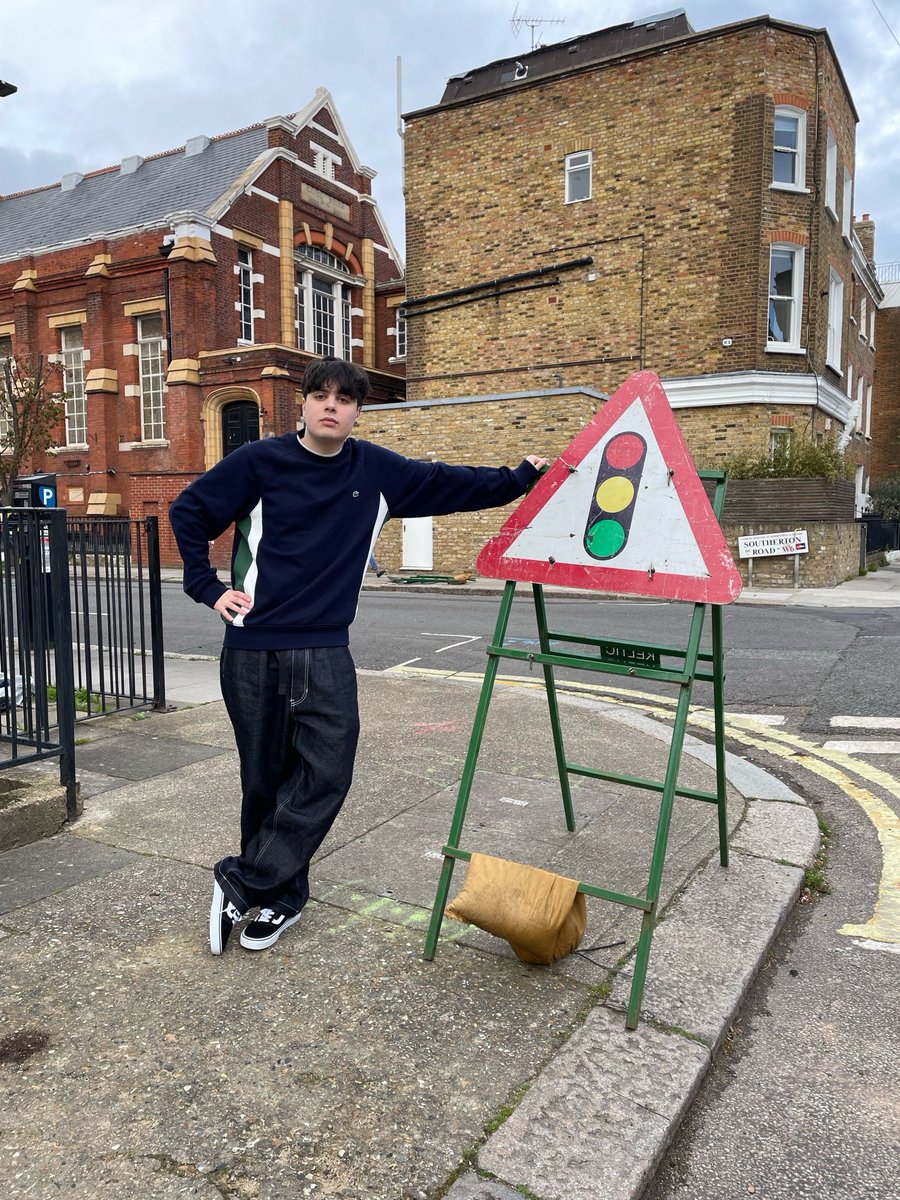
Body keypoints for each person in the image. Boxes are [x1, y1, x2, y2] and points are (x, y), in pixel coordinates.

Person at [170, 357, 547, 956]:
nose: (330, 406)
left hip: (324, 650)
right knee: (264, 781)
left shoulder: (375, 470)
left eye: (343, 400)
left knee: (326, 771)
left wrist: (519, 477)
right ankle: (278, 899)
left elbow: (451, 483)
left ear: (357, 412)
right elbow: (188, 513)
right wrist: (208, 588)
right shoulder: (260, 463)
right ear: (304, 403)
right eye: (319, 395)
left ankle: (243, 881)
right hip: (253, 648)